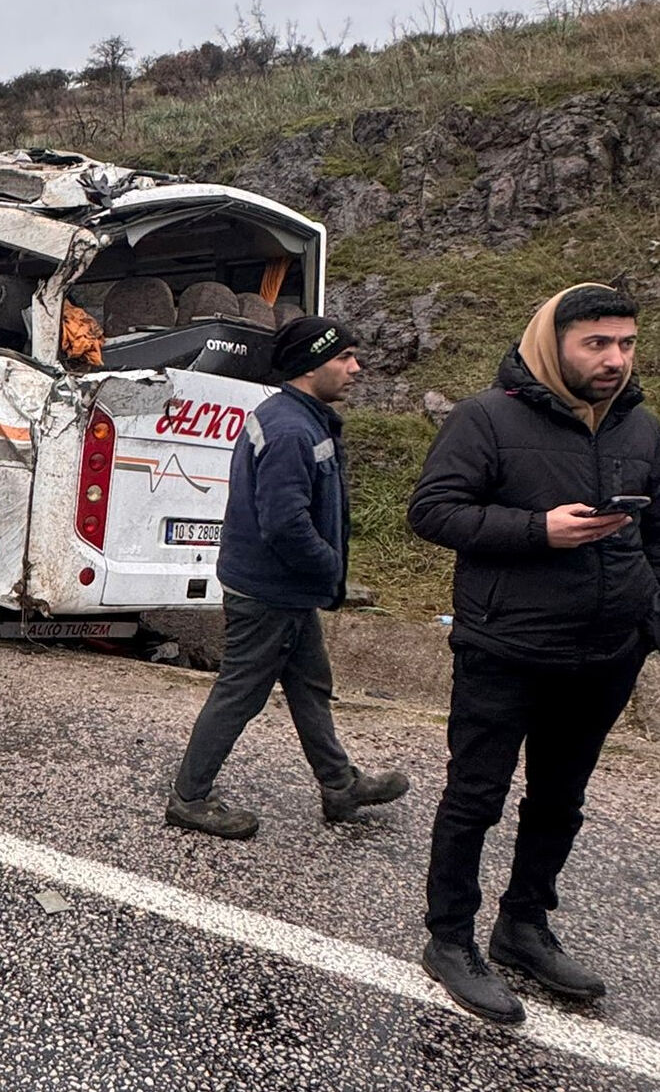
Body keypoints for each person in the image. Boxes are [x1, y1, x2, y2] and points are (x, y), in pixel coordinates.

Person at [408, 284, 658, 1025]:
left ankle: (523, 926)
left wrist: (649, 618)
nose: (615, 359)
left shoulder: (642, 429)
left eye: (627, 343)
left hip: (606, 654)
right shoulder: (485, 417)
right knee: (475, 797)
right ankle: (449, 938)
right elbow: (433, 510)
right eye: (597, 344)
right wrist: (536, 529)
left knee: (559, 800)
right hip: (505, 646)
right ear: (554, 343)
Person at [165, 316, 409, 839]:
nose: (355, 367)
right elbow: (284, 522)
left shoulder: (294, 417)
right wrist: (331, 567)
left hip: (285, 589)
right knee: (240, 694)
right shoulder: (292, 429)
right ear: (310, 365)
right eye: (343, 357)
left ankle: (339, 785)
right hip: (269, 591)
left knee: (310, 686)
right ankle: (189, 798)